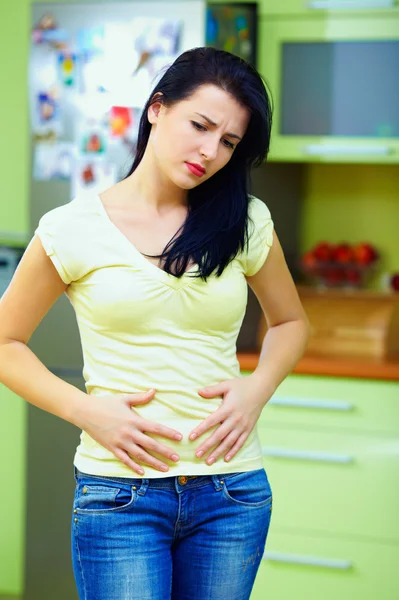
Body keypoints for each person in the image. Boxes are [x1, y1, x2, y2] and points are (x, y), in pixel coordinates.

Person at [0, 47, 309, 599]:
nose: (210, 151)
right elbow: (5, 342)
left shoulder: (246, 221)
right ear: (157, 109)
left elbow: (290, 323)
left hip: (231, 492)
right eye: (201, 125)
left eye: (229, 142)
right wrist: (86, 410)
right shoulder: (70, 228)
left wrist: (256, 390)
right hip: (120, 495)